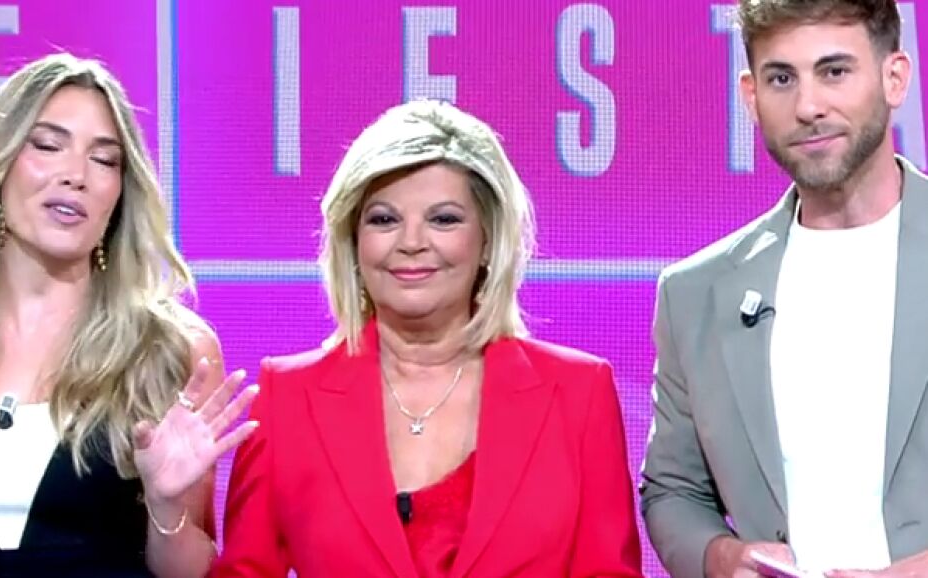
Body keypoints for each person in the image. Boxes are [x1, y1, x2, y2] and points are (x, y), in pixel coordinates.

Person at [210, 100, 643, 577]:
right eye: (383, 219)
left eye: (443, 219)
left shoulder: (579, 392)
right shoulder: (287, 397)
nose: (412, 242)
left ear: (488, 241)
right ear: (353, 243)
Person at [0, 53, 258, 577]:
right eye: (48, 146)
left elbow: (191, 571)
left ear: (120, 192)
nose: (76, 176)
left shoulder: (169, 347)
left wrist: (165, 506)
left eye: (104, 160)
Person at [639, 1, 928, 577]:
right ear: (750, 96)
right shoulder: (695, 294)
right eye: (781, 79)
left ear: (895, 77)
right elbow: (673, 490)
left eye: (834, 71)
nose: (808, 107)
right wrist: (722, 557)